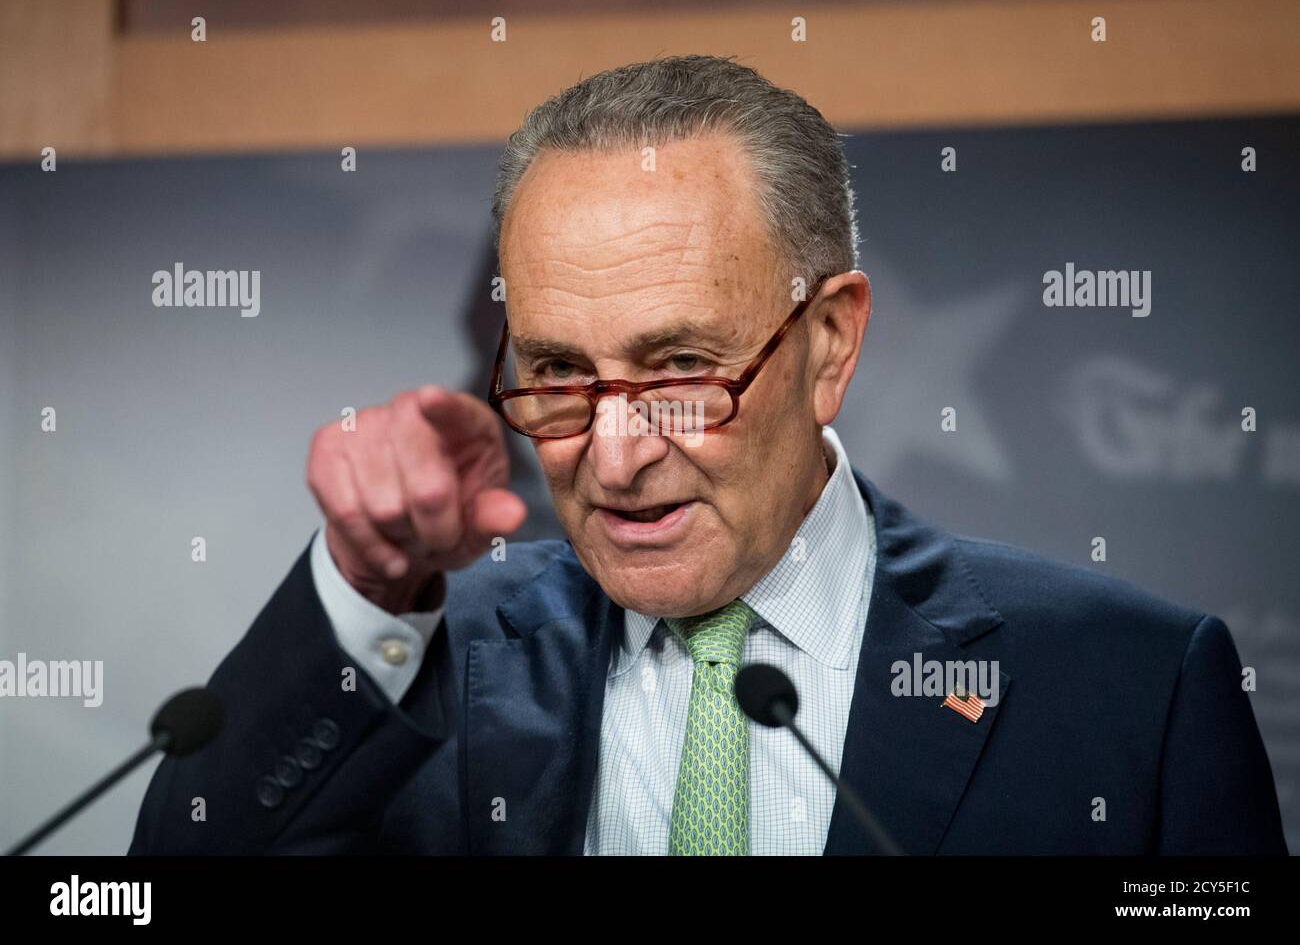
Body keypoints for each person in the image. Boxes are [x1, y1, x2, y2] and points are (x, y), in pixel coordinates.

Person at [130, 55, 1286, 855]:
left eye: (680, 366)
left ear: (828, 341)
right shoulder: (425, 662)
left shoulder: (1130, 687)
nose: (616, 456)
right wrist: (366, 592)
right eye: (561, 372)